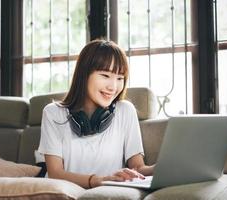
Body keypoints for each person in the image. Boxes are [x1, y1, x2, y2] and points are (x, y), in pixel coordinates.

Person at [38, 39, 154, 189]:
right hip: (63, 193)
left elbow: (137, 168)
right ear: (84, 74)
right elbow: (55, 173)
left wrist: (162, 167)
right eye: (105, 75)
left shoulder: (126, 111)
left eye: (120, 78)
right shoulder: (53, 113)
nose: (113, 87)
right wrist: (97, 180)